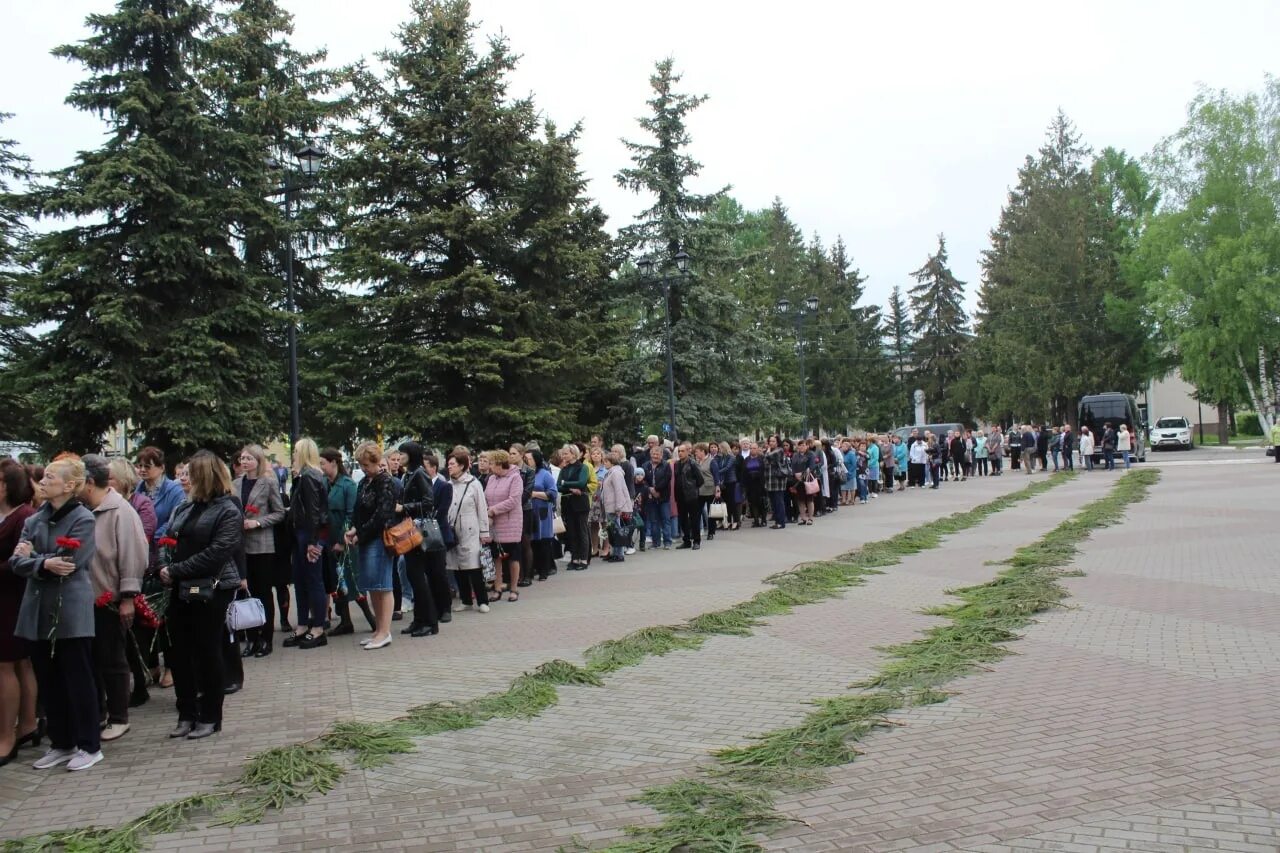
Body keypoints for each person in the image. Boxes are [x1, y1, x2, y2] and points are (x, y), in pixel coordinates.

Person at [12, 458, 101, 770]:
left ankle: (89, 745)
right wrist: (43, 563)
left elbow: (72, 562)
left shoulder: (83, 519)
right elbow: (16, 561)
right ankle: (61, 742)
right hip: (37, 608)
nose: (43, 481)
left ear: (69, 485)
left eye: (51, 477)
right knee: (48, 679)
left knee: (77, 677)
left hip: (70, 610)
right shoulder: (35, 519)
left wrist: (36, 558)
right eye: (44, 476)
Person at [160, 451, 242, 740]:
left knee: (208, 651)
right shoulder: (184, 507)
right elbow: (167, 539)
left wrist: (176, 569)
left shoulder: (228, 509)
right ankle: (186, 712)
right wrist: (163, 565)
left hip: (211, 588)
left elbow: (218, 552)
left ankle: (210, 715)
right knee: (179, 652)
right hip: (179, 588)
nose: (183, 478)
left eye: (189, 473)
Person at [79, 455, 148, 743]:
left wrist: (128, 597)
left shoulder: (120, 510)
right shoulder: (84, 509)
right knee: (92, 660)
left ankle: (119, 717)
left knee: (112, 659)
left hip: (110, 597)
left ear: (90, 482)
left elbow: (133, 555)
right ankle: (100, 712)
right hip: (86, 597)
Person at [0, 460, 38, 767]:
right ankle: (27, 724)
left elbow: (20, 562)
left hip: (12, 600)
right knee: (19, 664)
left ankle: (7, 735)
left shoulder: (23, 516)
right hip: (5, 599)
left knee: (7, 666)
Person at [232, 445, 287, 658]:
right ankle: (251, 638)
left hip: (262, 545)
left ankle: (266, 638)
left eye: (249, 458)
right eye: (242, 458)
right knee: (246, 592)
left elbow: (279, 513)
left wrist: (258, 522)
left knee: (263, 592)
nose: (244, 461)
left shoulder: (268, 483)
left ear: (258, 460)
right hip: (241, 545)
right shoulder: (236, 484)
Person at [344, 443, 398, 650]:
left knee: (383, 585)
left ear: (376, 462)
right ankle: (378, 630)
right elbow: (361, 512)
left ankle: (385, 631)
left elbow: (383, 514)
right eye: (361, 464)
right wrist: (355, 529)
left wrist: (361, 532)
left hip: (381, 538)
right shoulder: (365, 482)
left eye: (366, 464)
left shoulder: (386, 482)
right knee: (373, 586)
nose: (363, 468)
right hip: (367, 538)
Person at [319, 448, 373, 637]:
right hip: (329, 539)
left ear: (334, 462)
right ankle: (346, 621)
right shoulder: (325, 483)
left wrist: (343, 540)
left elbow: (351, 514)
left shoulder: (348, 485)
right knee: (338, 583)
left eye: (323, 463)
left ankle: (372, 621)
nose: (321, 467)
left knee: (352, 581)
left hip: (345, 540)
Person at [284, 439, 329, 650]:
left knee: (312, 580)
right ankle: (304, 625)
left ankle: (318, 627)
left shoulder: (310, 476)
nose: (293, 454)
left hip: (308, 534)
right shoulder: (306, 476)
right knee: (301, 581)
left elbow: (313, 511)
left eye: (295, 451)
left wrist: (312, 542)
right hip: (301, 533)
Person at [396, 441, 443, 635]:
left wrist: (404, 507)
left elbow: (428, 502)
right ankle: (419, 619)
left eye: (403, 454)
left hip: (418, 531)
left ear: (411, 454)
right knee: (413, 576)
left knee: (418, 577)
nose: (399, 457)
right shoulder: (408, 474)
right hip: (410, 530)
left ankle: (430, 622)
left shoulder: (419, 473)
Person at [445, 450, 492, 608]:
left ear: (462, 465)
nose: (449, 467)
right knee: (457, 566)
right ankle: (466, 600)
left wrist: (484, 532)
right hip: (453, 530)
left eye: (452, 464)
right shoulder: (448, 484)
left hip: (471, 529)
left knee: (474, 566)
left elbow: (482, 508)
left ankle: (482, 601)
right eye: (448, 464)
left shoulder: (473, 484)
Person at [482, 449, 523, 602]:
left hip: (510, 523)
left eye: (491, 463)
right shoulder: (491, 478)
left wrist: (493, 510)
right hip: (494, 523)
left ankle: (514, 588)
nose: (489, 467)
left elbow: (513, 500)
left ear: (499, 464)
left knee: (513, 557)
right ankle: (497, 587)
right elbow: (486, 496)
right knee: (496, 557)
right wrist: (486, 509)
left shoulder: (515, 477)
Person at [135, 446, 184, 542]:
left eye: (147, 466)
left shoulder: (175, 491)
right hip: (139, 544)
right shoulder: (137, 490)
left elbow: (175, 520)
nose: (142, 470)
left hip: (161, 545)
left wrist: (154, 537)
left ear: (161, 468)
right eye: (140, 466)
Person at [557, 445, 591, 569]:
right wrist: (570, 486)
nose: (564, 456)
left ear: (573, 454)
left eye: (566, 453)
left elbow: (582, 482)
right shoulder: (564, 469)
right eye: (563, 454)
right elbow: (557, 486)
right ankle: (574, 559)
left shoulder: (583, 467)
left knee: (582, 531)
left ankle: (583, 559)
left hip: (580, 504)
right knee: (572, 533)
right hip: (568, 503)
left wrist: (565, 483)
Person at [527, 450, 558, 580]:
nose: (526, 461)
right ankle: (535, 568)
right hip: (529, 511)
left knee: (544, 541)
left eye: (528, 459)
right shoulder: (526, 474)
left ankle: (544, 571)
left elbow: (553, 493)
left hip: (542, 512)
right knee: (532, 542)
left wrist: (534, 494)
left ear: (536, 460)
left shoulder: (545, 474)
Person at [599, 450, 632, 562]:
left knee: (617, 531)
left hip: (614, 507)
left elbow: (619, 490)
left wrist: (619, 507)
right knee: (613, 531)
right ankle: (615, 552)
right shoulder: (610, 472)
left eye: (606, 461)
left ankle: (619, 554)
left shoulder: (616, 473)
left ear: (612, 462)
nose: (604, 463)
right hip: (610, 506)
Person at [673, 443, 704, 548]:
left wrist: (693, 488)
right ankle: (686, 541)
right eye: (679, 451)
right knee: (683, 519)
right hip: (680, 496)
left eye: (682, 451)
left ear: (688, 452)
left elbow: (700, 480)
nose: (680, 453)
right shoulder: (677, 464)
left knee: (694, 519)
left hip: (692, 496)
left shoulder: (692, 463)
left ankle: (696, 541)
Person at [693, 443, 719, 540]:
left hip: (709, 489)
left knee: (710, 512)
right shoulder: (696, 461)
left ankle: (711, 532)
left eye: (697, 452)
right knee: (697, 512)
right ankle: (696, 532)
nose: (695, 453)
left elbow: (716, 475)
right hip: (699, 490)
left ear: (703, 451)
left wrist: (717, 488)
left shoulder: (711, 461)